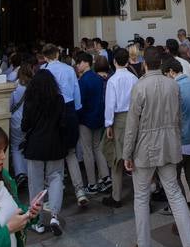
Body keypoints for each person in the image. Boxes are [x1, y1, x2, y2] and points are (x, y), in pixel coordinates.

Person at [122, 47, 190, 247]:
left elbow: (132, 126)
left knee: (141, 197)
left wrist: (126, 153)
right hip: (169, 146)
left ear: (144, 64)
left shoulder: (140, 87)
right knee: (176, 194)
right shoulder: (172, 85)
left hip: (145, 148)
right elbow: (178, 118)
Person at [40, 43, 88, 207]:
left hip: (51, 112)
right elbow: (76, 92)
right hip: (69, 111)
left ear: (45, 57)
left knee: (53, 154)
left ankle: (54, 191)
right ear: (58, 54)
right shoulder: (68, 70)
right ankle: (80, 191)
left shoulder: (43, 72)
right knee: (71, 153)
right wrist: (76, 111)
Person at [162, 56, 190, 233]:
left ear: (172, 72)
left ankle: (183, 221)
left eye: (167, 74)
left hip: (181, 141)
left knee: (174, 181)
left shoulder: (175, 87)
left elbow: (172, 115)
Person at [21, 69, 68, 236]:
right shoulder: (59, 99)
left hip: (35, 146)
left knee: (36, 183)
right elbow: (63, 123)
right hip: (55, 145)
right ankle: (54, 215)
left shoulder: (31, 100)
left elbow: (24, 126)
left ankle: (38, 221)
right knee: (56, 178)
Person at [102, 47, 137, 208]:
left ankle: (116, 196)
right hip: (133, 116)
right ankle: (144, 194)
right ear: (128, 60)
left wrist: (108, 123)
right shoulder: (134, 78)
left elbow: (110, 104)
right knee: (135, 155)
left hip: (119, 119)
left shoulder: (113, 80)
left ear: (114, 61)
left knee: (117, 157)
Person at [75, 51, 112, 195]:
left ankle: (92, 183)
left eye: (79, 62)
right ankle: (106, 177)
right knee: (98, 148)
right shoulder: (98, 79)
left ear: (86, 63)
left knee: (87, 151)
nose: (77, 65)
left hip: (85, 119)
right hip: (98, 117)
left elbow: (80, 102)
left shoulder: (82, 81)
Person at [9, 57, 36, 187]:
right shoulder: (34, 86)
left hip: (16, 120)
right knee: (28, 146)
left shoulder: (15, 87)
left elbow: (10, 105)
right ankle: (30, 172)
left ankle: (20, 172)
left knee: (15, 147)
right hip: (31, 119)